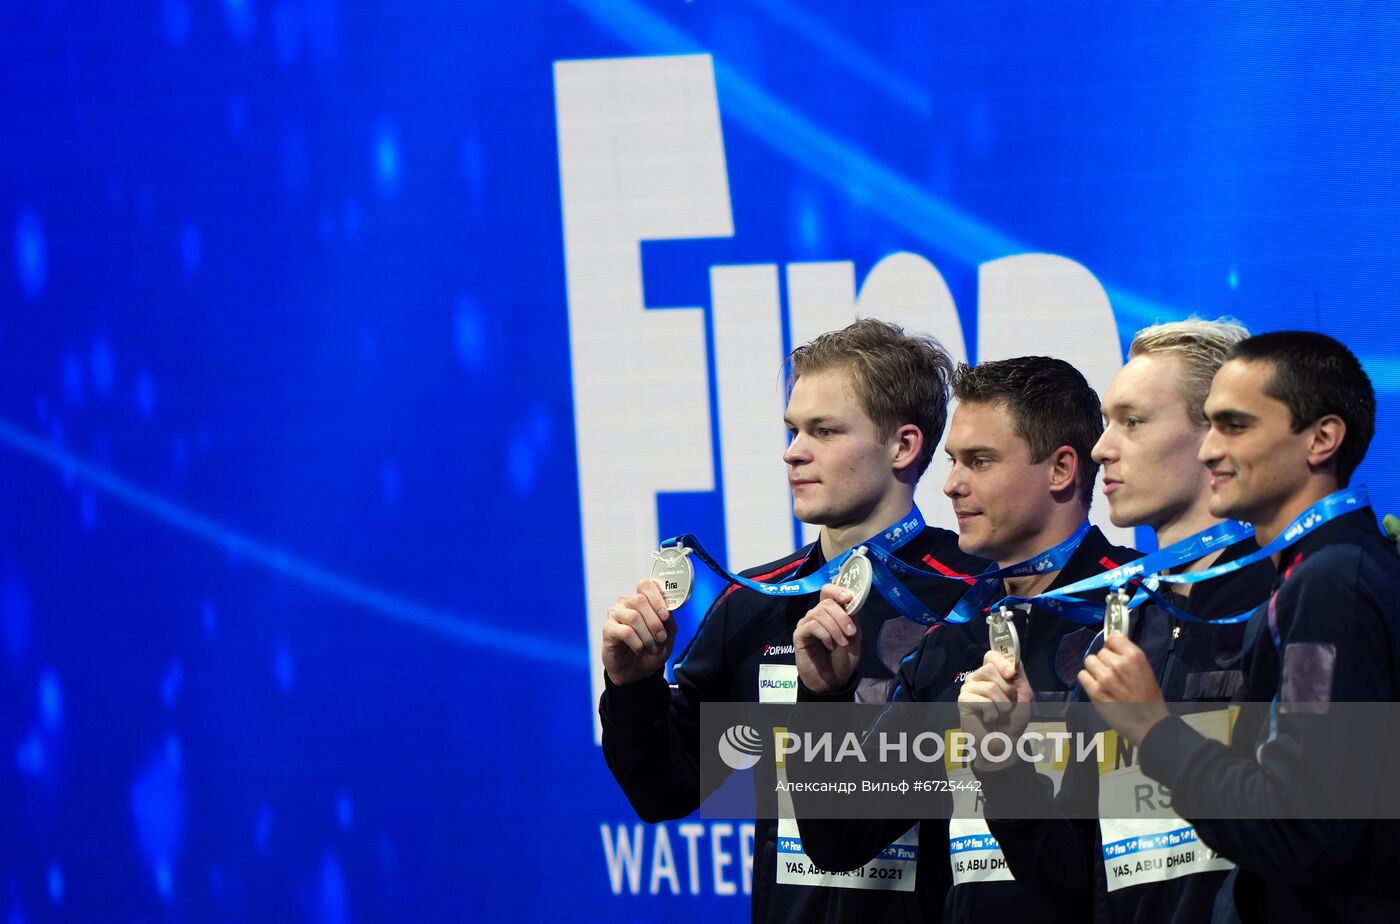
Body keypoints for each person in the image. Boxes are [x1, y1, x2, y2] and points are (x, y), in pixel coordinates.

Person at [599, 318, 988, 922]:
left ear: (903, 446)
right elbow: (667, 790)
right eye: (792, 429)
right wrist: (633, 687)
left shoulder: (974, 595)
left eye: (825, 431)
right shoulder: (754, 602)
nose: (793, 452)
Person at [792, 356, 1139, 922]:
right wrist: (823, 698)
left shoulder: (1138, 611)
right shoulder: (951, 637)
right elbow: (838, 839)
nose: (952, 485)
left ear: (1061, 469)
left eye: (980, 461)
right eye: (953, 461)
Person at [960, 319, 1277, 922]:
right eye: (1106, 423)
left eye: (1131, 422)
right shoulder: (1125, 628)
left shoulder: (1283, 601)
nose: (1102, 448)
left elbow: (1319, 838)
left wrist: (1156, 732)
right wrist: (1001, 763)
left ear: (1220, 435)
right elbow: (1075, 886)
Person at [1081, 331, 1400, 921]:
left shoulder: (1330, 583)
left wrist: (1155, 730)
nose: (1208, 451)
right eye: (1208, 425)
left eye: (1234, 426)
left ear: (1322, 438)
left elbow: (1303, 831)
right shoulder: (1325, 573)